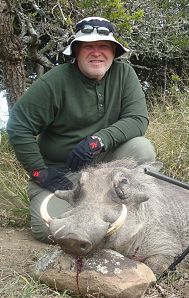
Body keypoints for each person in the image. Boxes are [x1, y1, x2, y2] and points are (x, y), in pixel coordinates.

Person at [6, 16, 156, 243]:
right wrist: (40, 173)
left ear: (114, 52)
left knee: (141, 148)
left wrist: (98, 140)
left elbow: (137, 119)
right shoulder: (53, 82)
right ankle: (98, 217)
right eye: (88, 46)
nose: (97, 52)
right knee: (45, 228)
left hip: (106, 169)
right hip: (62, 174)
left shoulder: (125, 75)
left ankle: (129, 207)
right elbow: (18, 126)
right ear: (75, 51)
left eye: (104, 46)